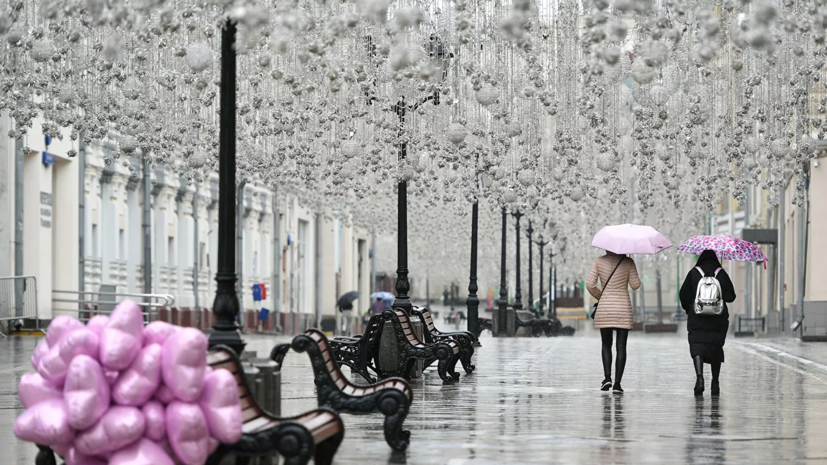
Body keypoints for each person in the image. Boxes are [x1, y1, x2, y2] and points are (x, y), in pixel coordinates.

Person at [679, 250, 735, 397]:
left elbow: (683, 295)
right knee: (715, 347)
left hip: (697, 316)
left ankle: (699, 378)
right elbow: (731, 297)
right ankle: (715, 382)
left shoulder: (694, 272)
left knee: (697, 345)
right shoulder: (721, 273)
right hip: (717, 318)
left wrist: (689, 308)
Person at [587, 251, 641, 393]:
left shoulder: (599, 261)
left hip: (605, 307)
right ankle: (617, 384)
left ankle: (607, 378)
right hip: (623, 308)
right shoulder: (628, 262)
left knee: (606, 343)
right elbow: (635, 285)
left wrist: (601, 296)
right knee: (621, 347)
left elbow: (590, 284)